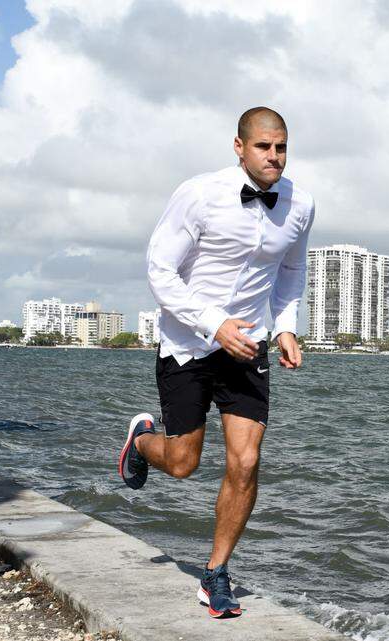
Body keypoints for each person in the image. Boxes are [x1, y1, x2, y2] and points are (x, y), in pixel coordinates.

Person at [117, 107, 313, 619]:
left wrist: (287, 324)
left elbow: (292, 272)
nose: (274, 156)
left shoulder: (300, 204)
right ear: (239, 146)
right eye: (264, 146)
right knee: (183, 464)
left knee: (246, 461)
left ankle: (216, 573)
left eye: (282, 147)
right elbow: (160, 271)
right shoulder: (199, 194)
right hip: (189, 341)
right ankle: (140, 442)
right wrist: (212, 323)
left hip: (248, 346)